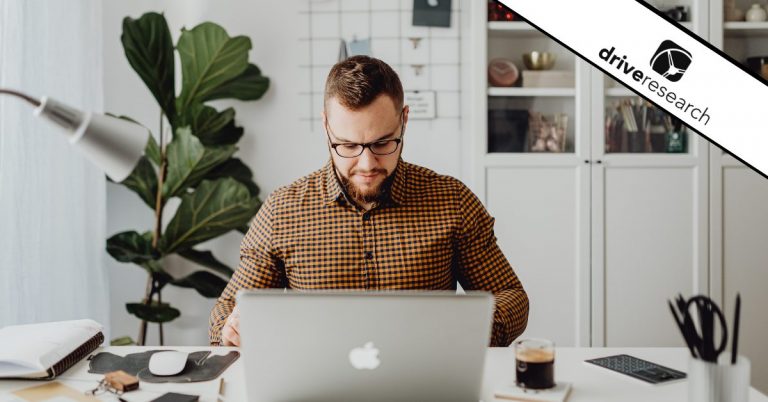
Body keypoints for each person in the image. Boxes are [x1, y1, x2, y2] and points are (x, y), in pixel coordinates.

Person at [209, 55, 528, 347]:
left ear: (404, 120)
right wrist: (231, 328)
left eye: (382, 143)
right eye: (347, 145)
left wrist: (469, 331)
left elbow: (511, 297)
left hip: (426, 381)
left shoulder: (452, 201)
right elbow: (227, 309)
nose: (366, 164)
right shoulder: (283, 211)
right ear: (325, 127)